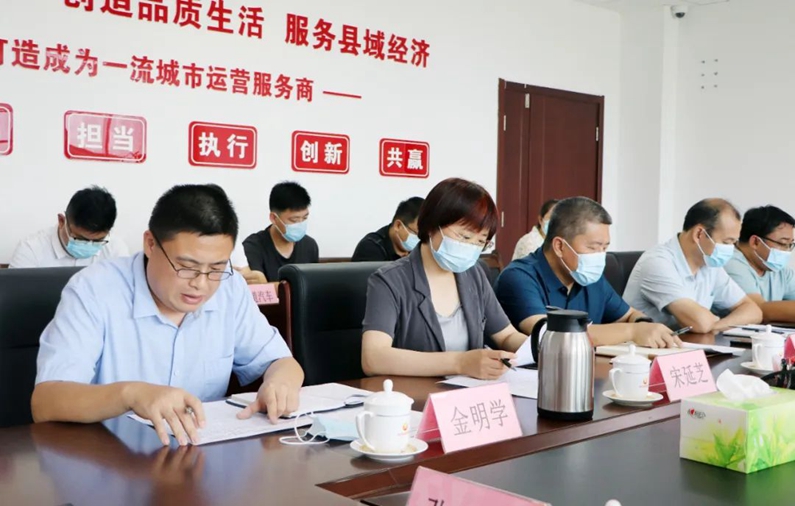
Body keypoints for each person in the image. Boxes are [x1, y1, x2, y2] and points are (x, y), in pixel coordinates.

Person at [32, 184, 304, 446]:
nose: (201, 283)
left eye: (216, 268)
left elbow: (282, 362)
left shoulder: (230, 288)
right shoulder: (93, 290)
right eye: (187, 267)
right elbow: (45, 402)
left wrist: (280, 383)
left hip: (199, 457)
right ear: (150, 244)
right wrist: (130, 394)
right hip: (109, 458)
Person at [361, 178, 526, 380]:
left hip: (468, 393)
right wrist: (460, 363)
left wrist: (542, 346)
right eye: (465, 237)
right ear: (432, 225)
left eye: (480, 242)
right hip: (413, 394)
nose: (470, 247)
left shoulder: (474, 274)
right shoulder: (389, 280)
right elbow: (373, 358)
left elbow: (506, 335)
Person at [495, 197, 679, 348]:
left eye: (605, 248)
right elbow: (551, 335)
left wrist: (643, 326)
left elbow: (630, 315)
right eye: (593, 247)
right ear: (559, 246)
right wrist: (632, 331)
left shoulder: (590, 278)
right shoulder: (519, 277)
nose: (600, 256)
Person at [623, 198, 762, 332]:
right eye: (726, 242)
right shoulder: (657, 262)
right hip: (645, 346)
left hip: (685, 344)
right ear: (699, 234)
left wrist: (717, 325)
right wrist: (711, 323)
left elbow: (753, 311)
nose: (731, 249)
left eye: (733, 243)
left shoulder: (710, 264)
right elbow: (700, 323)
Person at [10, 186, 128, 268]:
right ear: (62, 221)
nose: (89, 245)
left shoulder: (115, 248)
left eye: (98, 241)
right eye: (80, 239)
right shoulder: (31, 249)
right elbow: (16, 294)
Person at [724, 205, 795, 323]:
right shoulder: (731, 263)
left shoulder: (778, 269)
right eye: (782, 243)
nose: (787, 251)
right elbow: (758, 310)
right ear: (756, 242)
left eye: (790, 245)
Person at [243, 182, 319, 282]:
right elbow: (258, 286)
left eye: (305, 218)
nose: (300, 224)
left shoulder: (310, 246)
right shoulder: (253, 247)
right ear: (274, 218)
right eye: (294, 220)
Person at [352, 197, 425, 262]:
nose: (420, 240)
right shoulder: (370, 248)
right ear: (398, 226)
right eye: (417, 234)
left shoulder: (420, 250)